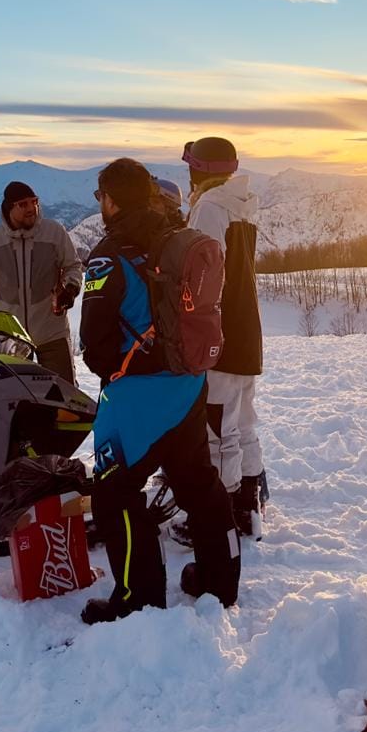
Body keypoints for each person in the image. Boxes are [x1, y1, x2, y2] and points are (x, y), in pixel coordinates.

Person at [78, 157, 239, 624]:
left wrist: (116, 369)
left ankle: (138, 599)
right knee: (198, 483)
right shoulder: (176, 236)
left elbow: (94, 344)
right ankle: (220, 582)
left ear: (110, 200)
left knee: (115, 493)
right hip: (188, 384)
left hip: (136, 397)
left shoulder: (108, 256)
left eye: (101, 196)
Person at [183, 136, 267, 537]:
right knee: (242, 424)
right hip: (246, 333)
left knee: (216, 431)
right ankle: (248, 502)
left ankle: (222, 514)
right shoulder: (242, 206)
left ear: (197, 169)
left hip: (219, 336)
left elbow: (204, 278)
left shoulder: (210, 209)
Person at [0, 180, 83, 383]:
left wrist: (71, 287)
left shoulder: (54, 232)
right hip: (9, 337)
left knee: (63, 391)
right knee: (13, 395)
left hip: (52, 332)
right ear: (9, 208)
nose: (31, 208)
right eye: (23, 204)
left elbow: (73, 266)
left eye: (34, 202)